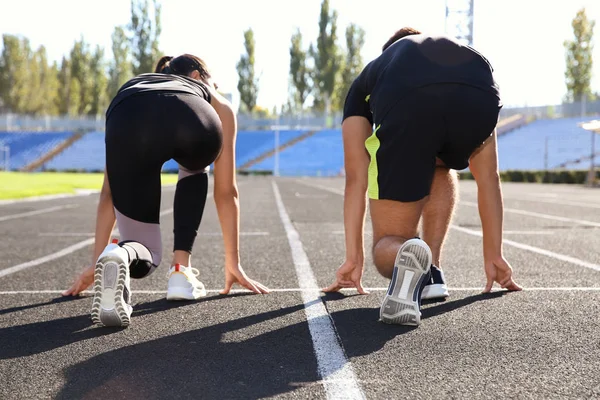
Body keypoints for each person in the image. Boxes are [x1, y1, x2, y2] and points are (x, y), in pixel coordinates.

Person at [323, 28, 522, 326]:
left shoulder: (374, 74)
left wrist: (354, 257)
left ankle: (407, 254)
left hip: (410, 100)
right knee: (439, 163)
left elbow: (356, 177)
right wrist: (494, 254)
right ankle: (433, 271)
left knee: (388, 244)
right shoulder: (454, 52)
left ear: (386, 53)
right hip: (481, 89)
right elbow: (489, 178)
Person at [62, 54, 270, 327]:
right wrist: (234, 263)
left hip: (128, 111)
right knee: (196, 166)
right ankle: (180, 271)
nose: (215, 89)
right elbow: (226, 191)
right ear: (197, 77)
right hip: (192, 118)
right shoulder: (211, 97)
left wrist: (95, 260)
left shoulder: (136, 84)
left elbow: (109, 194)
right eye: (214, 84)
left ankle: (119, 255)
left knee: (145, 250)